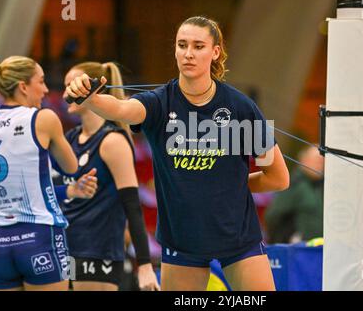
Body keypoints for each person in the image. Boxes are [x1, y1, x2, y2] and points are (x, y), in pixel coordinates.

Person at [65, 16, 290, 291]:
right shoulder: (158, 102)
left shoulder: (243, 108)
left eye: (198, 46)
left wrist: (230, 185)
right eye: (182, 45)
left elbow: (278, 177)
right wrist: (91, 98)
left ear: (215, 52)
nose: (189, 54)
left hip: (238, 239)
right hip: (182, 242)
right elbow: (121, 109)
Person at [0, 56, 96, 291]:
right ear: (23, 86)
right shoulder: (43, 118)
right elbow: (71, 167)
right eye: (41, 81)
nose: (46, 89)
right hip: (38, 236)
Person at [60, 61, 159, 291]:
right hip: (65, 249)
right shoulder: (70, 138)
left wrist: (144, 265)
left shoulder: (112, 141)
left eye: (72, 85)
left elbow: (132, 206)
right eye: (66, 86)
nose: (66, 93)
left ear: (95, 91)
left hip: (98, 252)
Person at [265, 146, 324, 243]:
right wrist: (288, 236)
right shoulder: (294, 185)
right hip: (299, 249)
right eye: (317, 160)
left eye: (322, 162)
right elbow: (273, 215)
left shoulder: (322, 186)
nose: (320, 165)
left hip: (319, 248)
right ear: (304, 161)